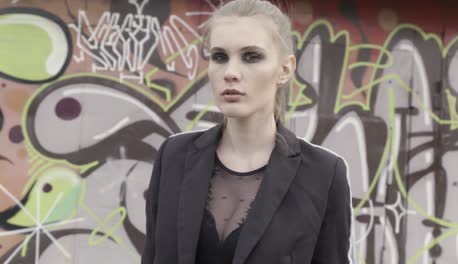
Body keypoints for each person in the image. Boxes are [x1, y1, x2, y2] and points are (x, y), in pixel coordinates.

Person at [141, 0, 352, 263]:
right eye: (219, 57)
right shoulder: (173, 156)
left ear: (285, 69)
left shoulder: (324, 174)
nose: (230, 72)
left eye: (251, 56)